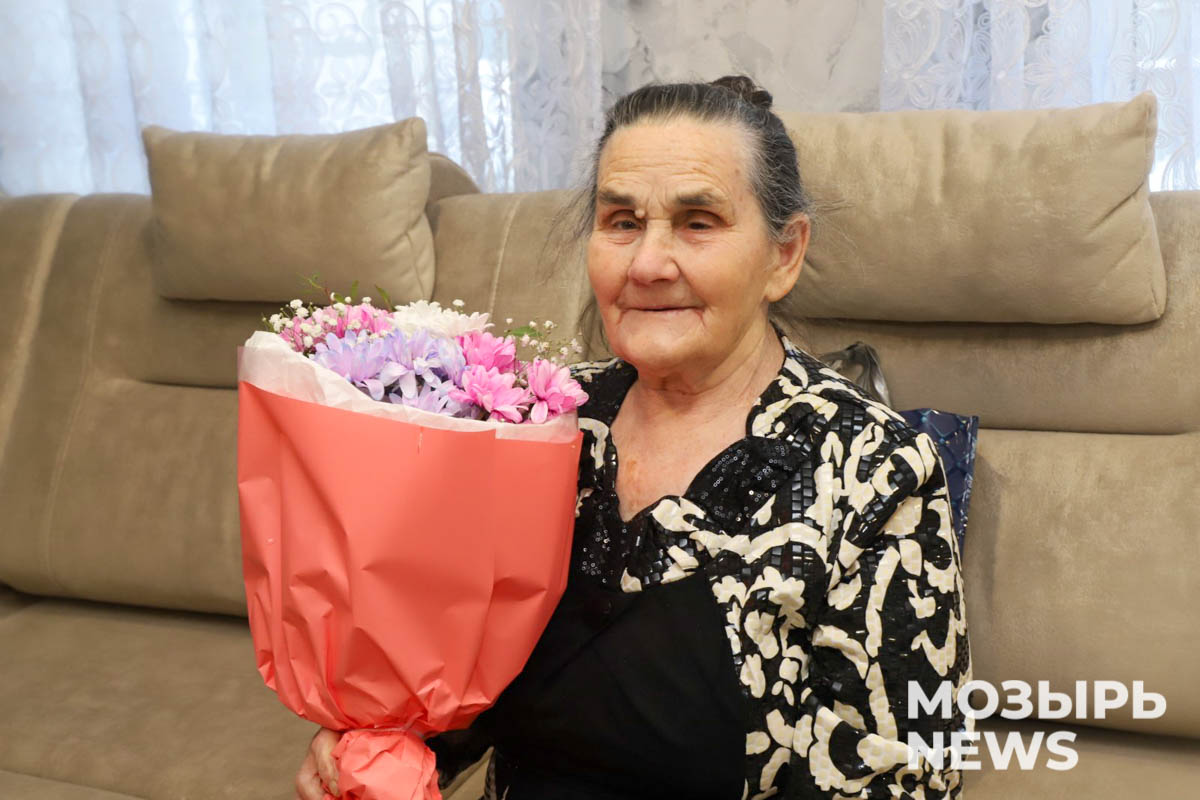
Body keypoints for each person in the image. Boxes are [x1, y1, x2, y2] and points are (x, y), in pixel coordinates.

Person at [296, 75, 972, 800]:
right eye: (621, 221)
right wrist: (381, 742)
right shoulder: (539, 420)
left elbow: (908, 775)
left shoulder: (875, 466)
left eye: (698, 223)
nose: (646, 265)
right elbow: (457, 677)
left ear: (784, 255)